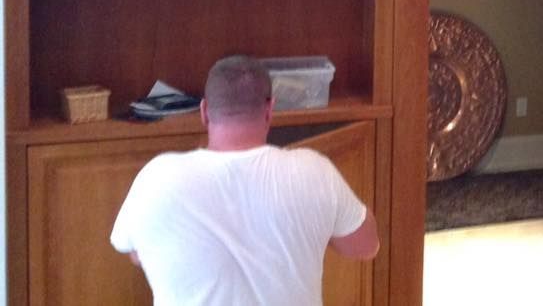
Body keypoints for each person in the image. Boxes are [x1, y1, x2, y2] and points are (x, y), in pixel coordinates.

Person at [111, 55, 379, 305]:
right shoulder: (314, 171)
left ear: (204, 112)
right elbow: (366, 246)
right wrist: (317, 226)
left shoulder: (156, 178)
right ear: (270, 110)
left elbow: (135, 252)